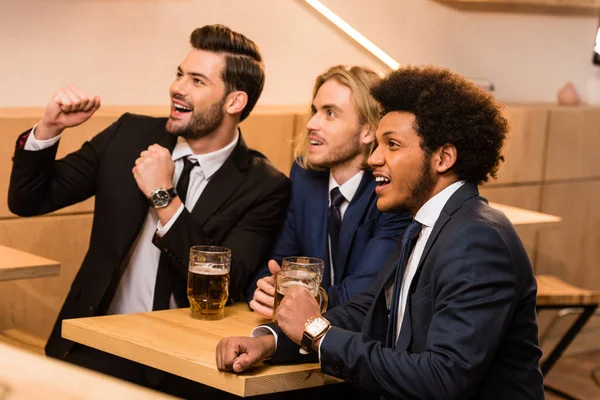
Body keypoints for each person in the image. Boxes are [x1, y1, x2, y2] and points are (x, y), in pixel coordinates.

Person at [216, 65, 545, 400]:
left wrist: (316, 330)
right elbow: (366, 311)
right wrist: (268, 340)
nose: (373, 158)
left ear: (443, 158)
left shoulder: (476, 239)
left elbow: (442, 380)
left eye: (392, 145)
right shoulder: (425, 225)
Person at [8, 24, 289, 395]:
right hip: (94, 345)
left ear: (234, 102)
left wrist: (163, 195)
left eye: (197, 81)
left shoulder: (264, 185)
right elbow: (29, 200)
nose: (177, 87)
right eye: (179, 75)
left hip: (187, 365)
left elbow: (229, 278)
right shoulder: (129, 136)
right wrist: (48, 128)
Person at [246, 65, 410, 318]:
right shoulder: (304, 178)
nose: (312, 124)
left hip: (362, 342)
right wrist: (267, 291)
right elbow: (276, 266)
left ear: (368, 131)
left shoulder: (390, 190)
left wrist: (295, 300)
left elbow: (363, 292)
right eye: (315, 111)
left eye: (330, 113)